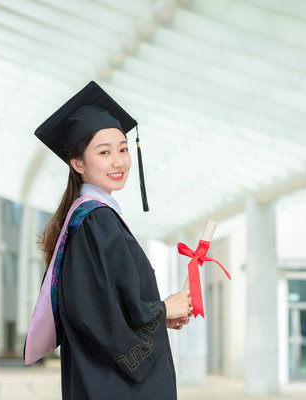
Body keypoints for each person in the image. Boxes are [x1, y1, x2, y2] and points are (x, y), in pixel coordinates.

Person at [24, 81, 192, 400]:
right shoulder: (95, 221)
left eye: (123, 148)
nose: (118, 161)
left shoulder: (93, 219)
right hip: (115, 386)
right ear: (78, 163)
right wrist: (159, 311)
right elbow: (95, 312)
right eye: (104, 152)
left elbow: (108, 302)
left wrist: (157, 318)